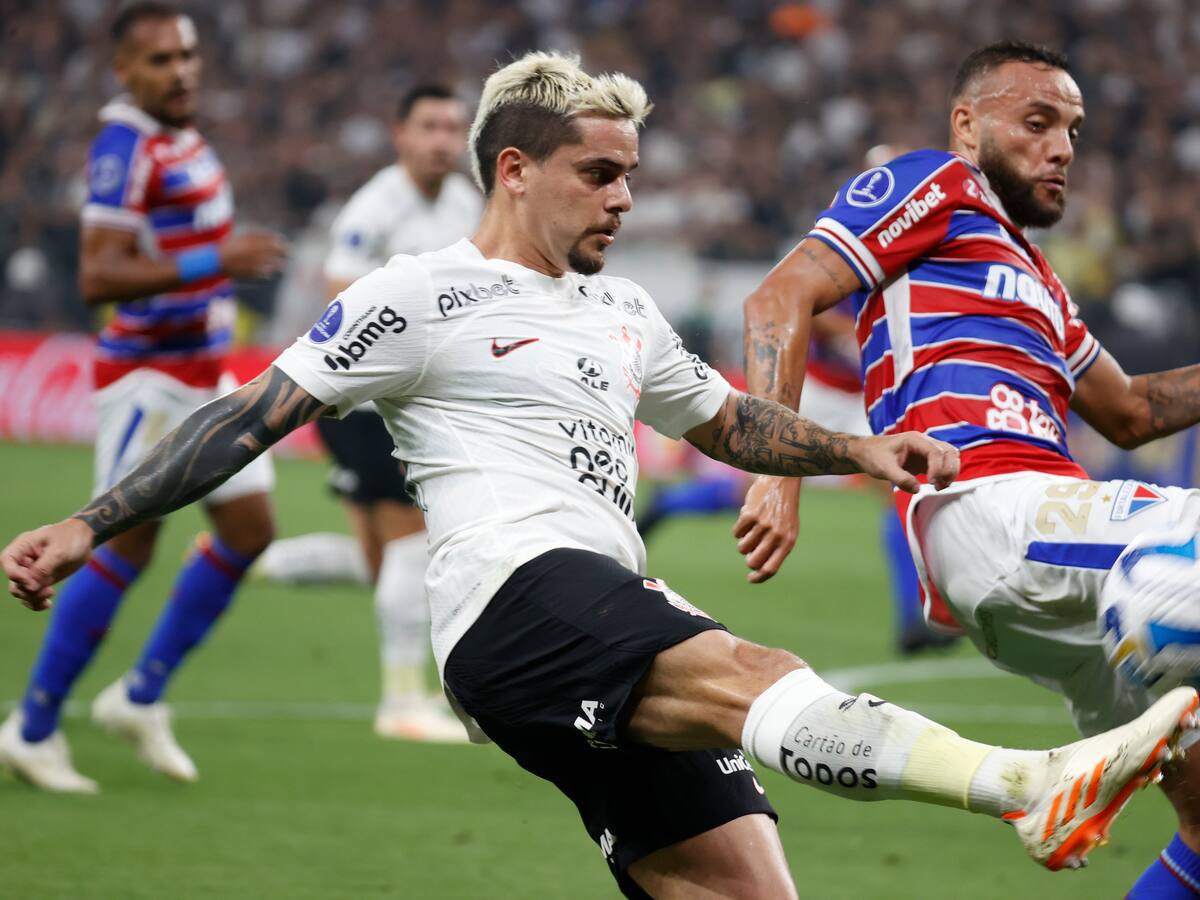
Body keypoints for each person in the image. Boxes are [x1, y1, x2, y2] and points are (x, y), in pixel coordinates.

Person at [3, 52, 1195, 897]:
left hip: (592, 605)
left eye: (631, 173)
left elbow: (727, 422)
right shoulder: (422, 293)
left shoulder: (622, 312)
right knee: (756, 671)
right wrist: (89, 520)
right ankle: (1022, 784)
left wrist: (849, 448)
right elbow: (250, 416)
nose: (625, 198)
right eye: (600, 174)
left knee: (741, 887)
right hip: (509, 598)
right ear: (515, 169)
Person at [736, 40, 1200, 897]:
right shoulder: (937, 185)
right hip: (991, 505)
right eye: (1036, 122)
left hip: (1046, 571)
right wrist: (776, 472)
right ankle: (1161, 594)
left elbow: (1132, 411)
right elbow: (778, 296)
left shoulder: (1041, 282)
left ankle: (1152, 623)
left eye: (1073, 129)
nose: (1061, 146)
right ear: (966, 124)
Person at [0, 2, 285, 793]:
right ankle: (30, 728)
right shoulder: (122, 145)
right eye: (160, 60)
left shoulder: (180, 138)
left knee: (251, 528)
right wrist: (214, 260)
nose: (181, 70)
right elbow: (98, 272)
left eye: (187, 54)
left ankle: (140, 695)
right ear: (124, 71)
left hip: (205, 369)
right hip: (149, 376)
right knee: (123, 541)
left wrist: (211, 263)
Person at [255, 84, 481, 741]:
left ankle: (256, 561)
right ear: (400, 135)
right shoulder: (376, 207)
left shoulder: (466, 203)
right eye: (429, 126)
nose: (442, 139)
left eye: (452, 127)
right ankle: (403, 703)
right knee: (417, 548)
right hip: (370, 401)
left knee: (385, 562)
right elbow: (340, 295)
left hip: (418, 401)